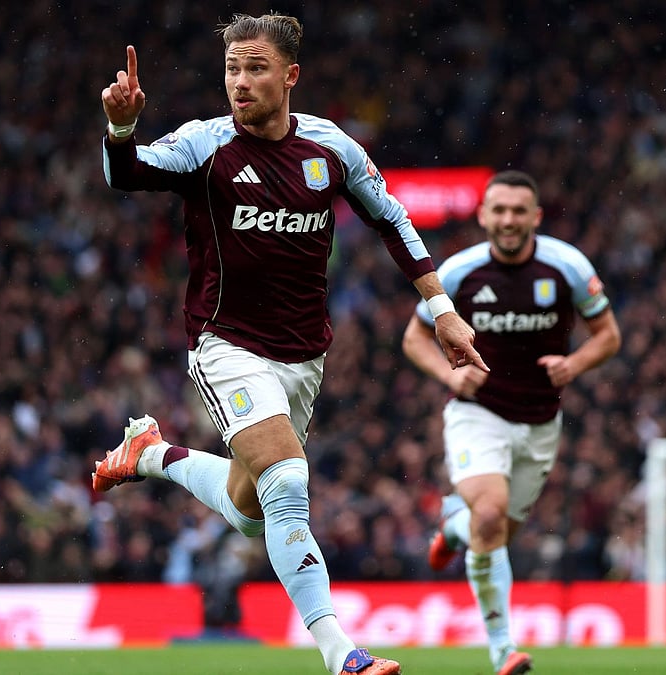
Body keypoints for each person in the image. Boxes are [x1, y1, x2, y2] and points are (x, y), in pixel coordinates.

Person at [97, 13, 484, 675]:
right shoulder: (205, 144)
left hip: (304, 356)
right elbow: (127, 173)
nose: (240, 83)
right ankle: (342, 652)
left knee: (253, 512)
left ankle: (151, 453)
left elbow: (392, 217)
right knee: (287, 479)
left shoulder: (330, 149)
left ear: (290, 75)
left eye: (255, 69)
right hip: (226, 345)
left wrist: (441, 308)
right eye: (231, 70)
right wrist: (121, 126)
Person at [402, 170, 621, 675]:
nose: (508, 220)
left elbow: (608, 335)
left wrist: (576, 364)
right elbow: (414, 339)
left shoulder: (566, 267)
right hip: (479, 415)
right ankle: (503, 649)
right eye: (498, 210)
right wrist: (448, 376)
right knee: (490, 516)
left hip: (542, 424)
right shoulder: (456, 273)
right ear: (483, 215)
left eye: (519, 211)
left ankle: (452, 528)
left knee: (491, 532)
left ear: (536, 217)